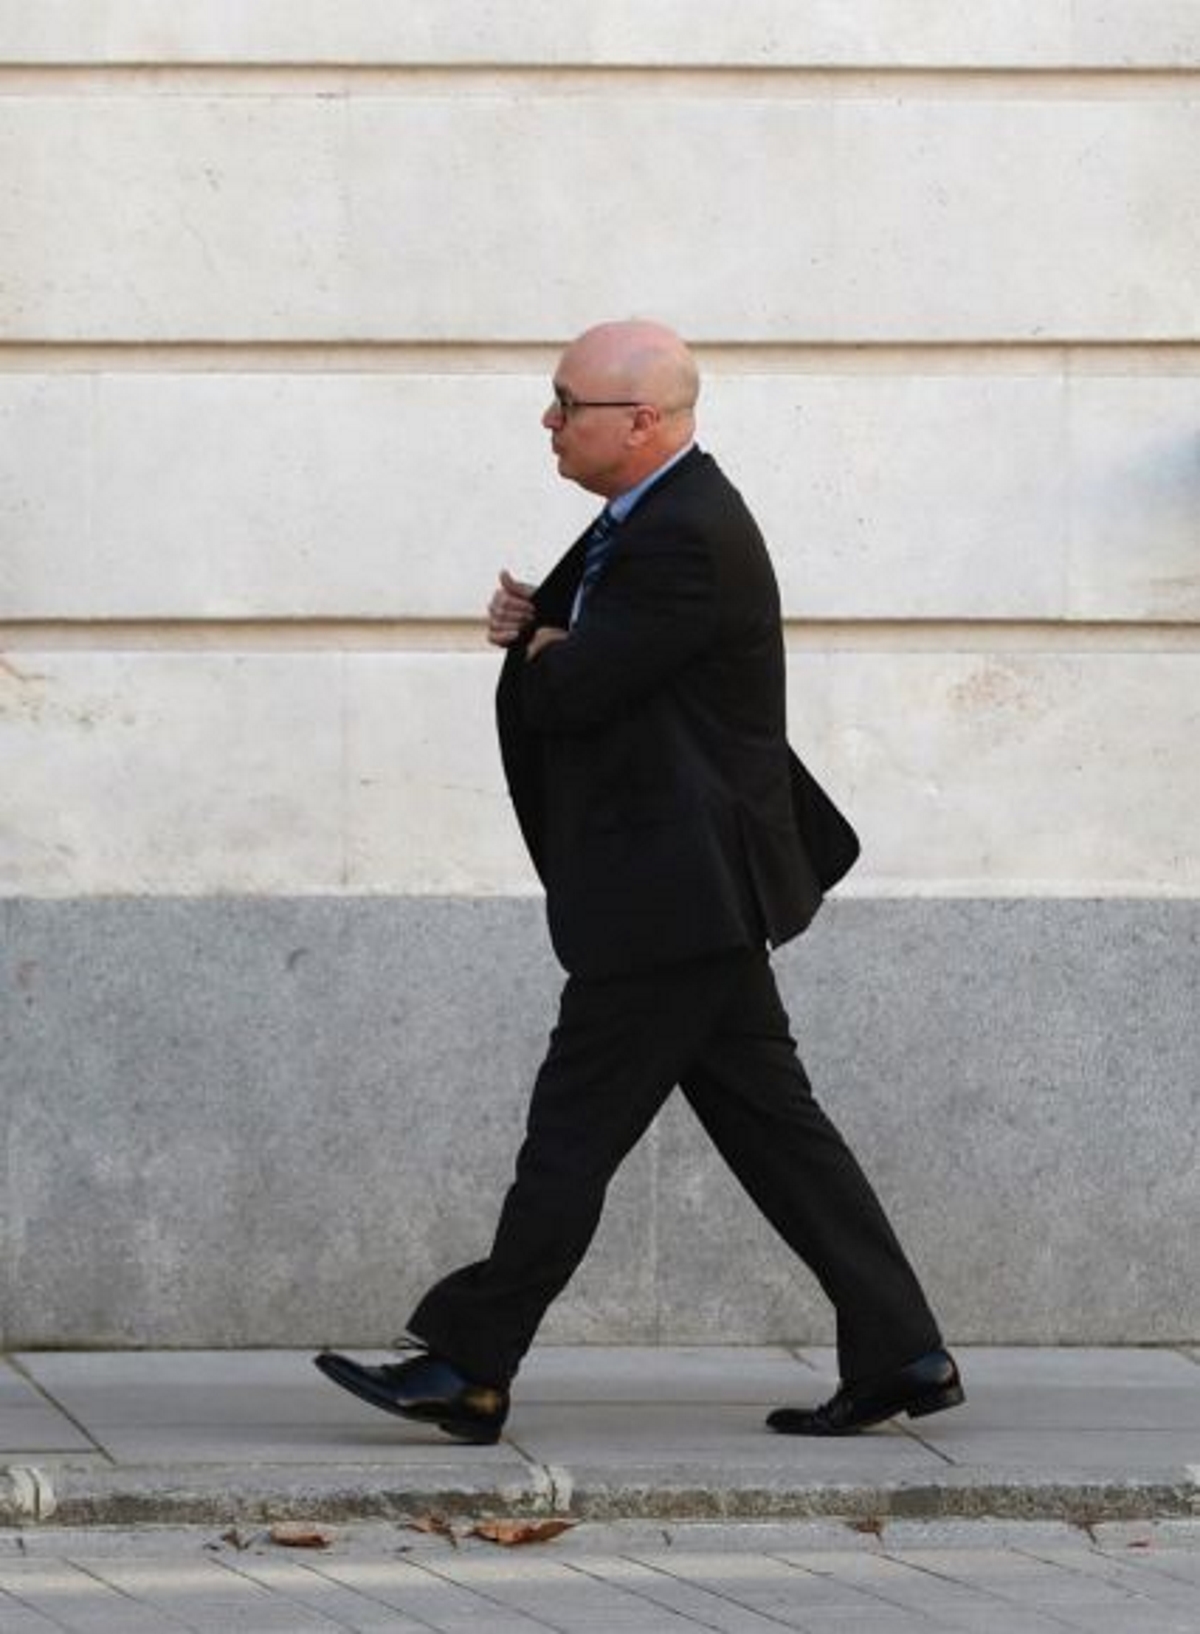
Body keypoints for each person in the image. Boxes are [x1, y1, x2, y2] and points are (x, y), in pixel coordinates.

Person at [315, 320, 962, 1443]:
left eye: (569, 401)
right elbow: (588, 655)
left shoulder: (686, 534)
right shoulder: (644, 520)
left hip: (672, 897)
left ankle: (471, 1361)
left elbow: (579, 691)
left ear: (644, 421)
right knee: (777, 1132)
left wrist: (546, 650)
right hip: (691, 891)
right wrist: (545, 631)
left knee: (570, 1134)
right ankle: (901, 1345)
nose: (549, 418)